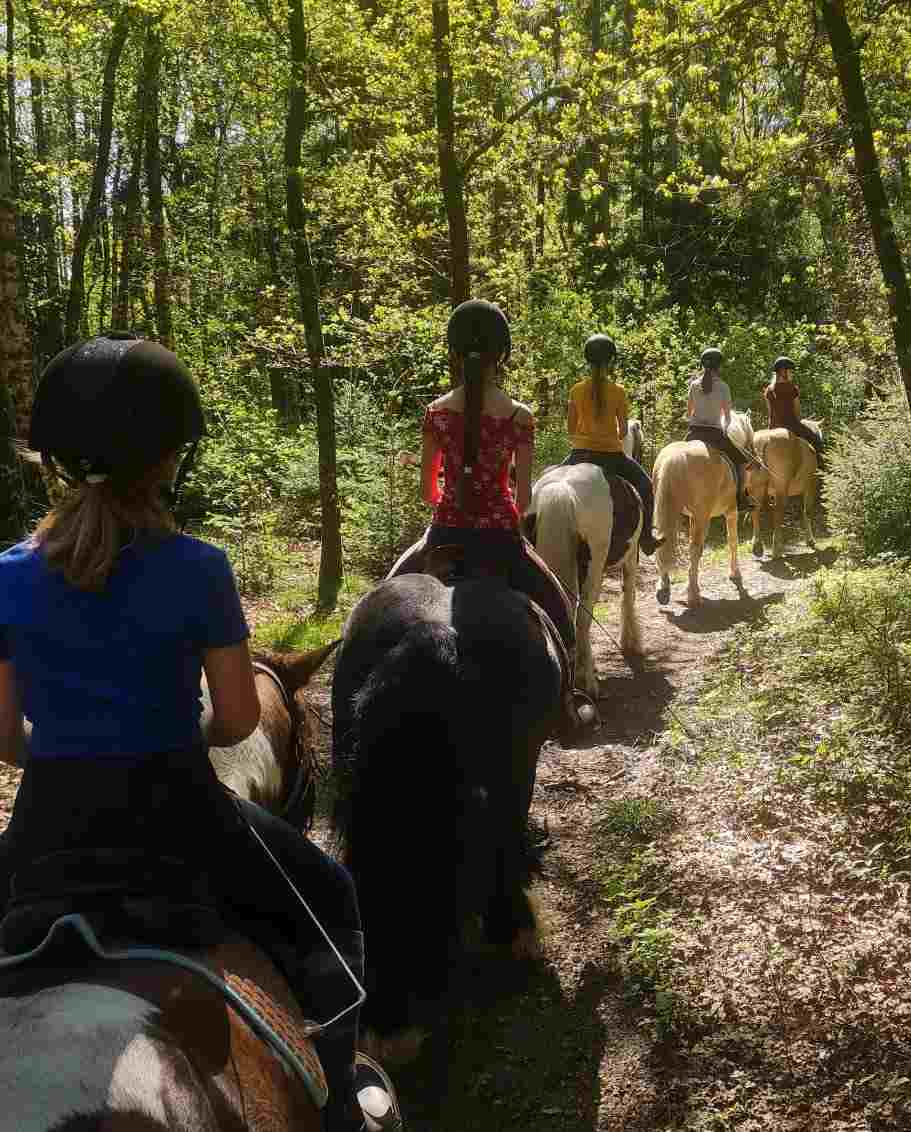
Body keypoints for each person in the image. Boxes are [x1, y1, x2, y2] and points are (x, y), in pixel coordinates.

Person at [0, 334, 401, 1132]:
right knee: (330, 893)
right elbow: (243, 719)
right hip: (181, 813)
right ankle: (343, 1090)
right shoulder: (199, 566)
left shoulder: (9, 575)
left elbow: (6, 739)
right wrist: (184, 722)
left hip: (49, 823)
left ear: (53, 458)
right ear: (168, 461)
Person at [419, 300, 583, 695]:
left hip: (444, 535)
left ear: (453, 353)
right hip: (501, 539)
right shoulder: (520, 416)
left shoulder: (436, 413)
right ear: (503, 355)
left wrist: (452, 500)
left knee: (389, 590)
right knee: (560, 611)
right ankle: (569, 697)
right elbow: (524, 496)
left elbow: (428, 492)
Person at [560, 333, 664, 556]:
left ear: (587, 360)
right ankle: (646, 537)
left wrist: (585, 436)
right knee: (646, 486)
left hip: (580, 454)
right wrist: (609, 435)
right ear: (611, 361)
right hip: (612, 456)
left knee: (550, 482)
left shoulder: (576, 390)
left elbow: (570, 429)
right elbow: (624, 430)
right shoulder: (618, 391)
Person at [685, 346, 756, 512]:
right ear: (719, 367)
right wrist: (724, 428)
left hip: (694, 432)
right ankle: (741, 498)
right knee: (741, 461)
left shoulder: (694, 385)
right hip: (714, 434)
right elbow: (728, 416)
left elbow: (689, 412)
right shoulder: (723, 387)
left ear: (703, 365)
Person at [764, 356, 825, 470]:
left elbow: (770, 414)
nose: (792, 374)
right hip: (792, 426)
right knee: (816, 440)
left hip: (773, 427)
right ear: (783, 372)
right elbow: (797, 413)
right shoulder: (792, 388)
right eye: (790, 371)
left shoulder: (768, 390)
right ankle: (822, 471)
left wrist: (770, 428)